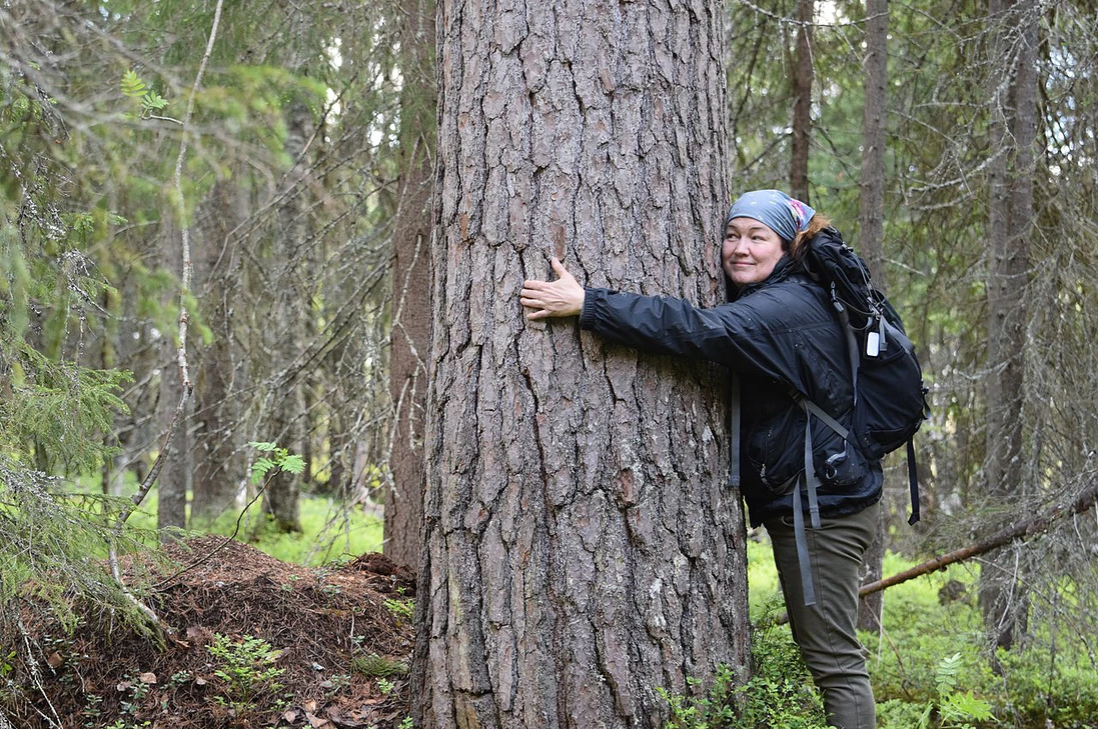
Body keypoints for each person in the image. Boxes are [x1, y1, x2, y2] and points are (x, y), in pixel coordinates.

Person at [519, 189, 880, 729]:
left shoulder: (784, 308)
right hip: (821, 495)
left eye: (758, 237)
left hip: (822, 511)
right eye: (733, 235)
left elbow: (695, 328)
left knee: (834, 663)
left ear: (788, 246)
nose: (739, 249)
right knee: (832, 658)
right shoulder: (797, 295)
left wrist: (589, 305)